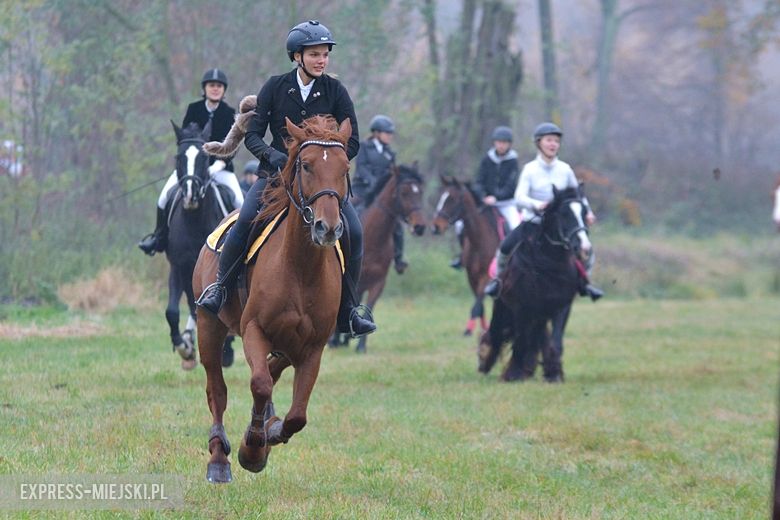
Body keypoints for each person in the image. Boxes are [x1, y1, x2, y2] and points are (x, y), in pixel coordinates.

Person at [196, 20, 377, 338]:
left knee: (356, 232)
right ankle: (221, 289)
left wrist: (330, 161)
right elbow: (253, 136)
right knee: (245, 220)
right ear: (297, 56)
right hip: (275, 177)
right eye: (315, 55)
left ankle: (349, 309)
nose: (321, 60)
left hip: (321, 184)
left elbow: (354, 142)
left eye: (325, 55)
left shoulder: (336, 91)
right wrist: (274, 156)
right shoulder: (275, 87)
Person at [484, 122, 603, 301]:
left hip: (558, 228)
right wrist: (537, 205)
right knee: (505, 247)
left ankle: (586, 282)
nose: (553, 144)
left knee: (587, 249)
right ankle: (498, 281)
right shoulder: (530, 169)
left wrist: (588, 213)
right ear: (539, 143)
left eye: (556, 141)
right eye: (549, 140)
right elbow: (519, 197)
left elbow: (578, 195)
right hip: (533, 223)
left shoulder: (565, 169)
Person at [138, 68, 244, 255]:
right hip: (191, 168)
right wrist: (188, 166)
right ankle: (159, 238)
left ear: (223, 90)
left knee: (239, 201)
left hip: (220, 168)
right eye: (211, 85)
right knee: (163, 198)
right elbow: (185, 139)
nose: (215, 89)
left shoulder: (229, 113)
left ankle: (243, 241)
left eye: (219, 86)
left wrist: (219, 164)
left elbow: (232, 143)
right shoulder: (193, 109)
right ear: (205, 88)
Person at [450, 125, 521, 269]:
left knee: (515, 225)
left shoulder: (513, 161)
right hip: (486, 202)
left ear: (509, 144)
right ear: (494, 143)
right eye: (498, 142)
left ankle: (517, 256)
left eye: (504, 142)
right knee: (460, 224)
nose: (501, 145)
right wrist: (482, 195)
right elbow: (479, 181)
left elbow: (511, 185)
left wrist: (497, 197)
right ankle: (462, 255)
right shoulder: (487, 159)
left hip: (506, 203)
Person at [352, 114, 408, 274]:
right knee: (349, 212)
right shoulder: (364, 147)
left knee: (396, 223)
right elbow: (362, 168)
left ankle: (398, 258)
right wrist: (374, 183)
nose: (390, 136)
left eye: (391, 133)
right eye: (387, 133)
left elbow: (391, 174)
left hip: (381, 193)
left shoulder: (390, 153)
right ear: (376, 133)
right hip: (362, 190)